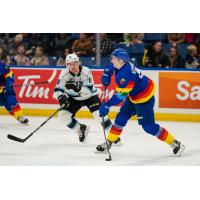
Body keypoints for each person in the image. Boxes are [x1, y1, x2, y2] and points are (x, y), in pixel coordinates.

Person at [96, 48, 185, 156]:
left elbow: (120, 96)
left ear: (120, 60)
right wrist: (107, 73)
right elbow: (112, 67)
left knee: (149, 127)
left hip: (144, 100)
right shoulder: (123, 64)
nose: (111, 60)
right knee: (120, 119)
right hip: (134, 96)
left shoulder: (125, 75)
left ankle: (175, 144)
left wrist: (107, 105)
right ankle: (109, 142)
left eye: (113, 58)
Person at [53, 53, 120, 143]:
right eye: (70, 64)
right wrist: (61, 97)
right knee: (62, 116)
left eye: (74, 63)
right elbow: (58, 89)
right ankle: (81, 129)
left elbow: (88, 89)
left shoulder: (86, 71)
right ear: (67, 65)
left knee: (99, 116)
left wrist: (76, 87)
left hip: (90, 97)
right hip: (74, 99)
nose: (73, 66)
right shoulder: (64, 73)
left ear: (78, 63)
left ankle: (113, 136)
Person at [0, 45, 28, 124]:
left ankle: (20, 116)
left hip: (5, 88)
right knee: (7, 106)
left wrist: (8, 83)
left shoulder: (2, 66)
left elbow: (10, 76)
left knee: (11, 101)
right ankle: (17, 117)